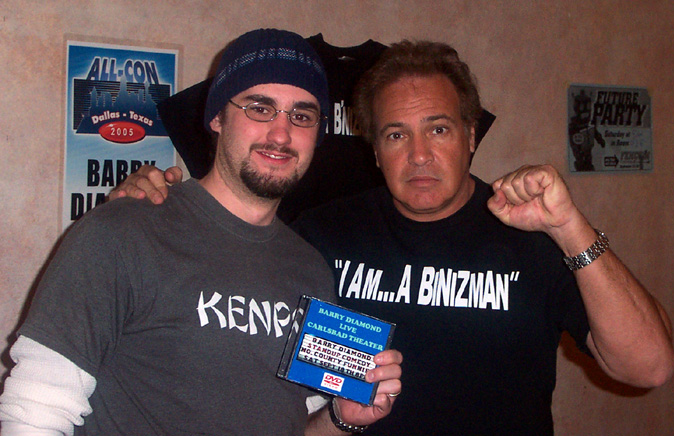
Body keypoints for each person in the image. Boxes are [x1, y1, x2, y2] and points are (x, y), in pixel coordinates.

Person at [105, 40, 674, 435]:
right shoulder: (320, 235)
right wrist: (155, 211)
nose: (419, 155)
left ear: (470, 135)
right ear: (375, 150)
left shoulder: (530, 234)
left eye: (439, 129)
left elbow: (648, 367)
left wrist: (570, 227)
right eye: (396, 134)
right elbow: (218, 314)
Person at [0, 29, 403, 436]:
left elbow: (295, 425)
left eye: (301, 116)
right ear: (217, 117)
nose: (281, 134)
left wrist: (339, 417)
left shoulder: (310, 270)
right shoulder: (120, 233)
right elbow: (34, 414)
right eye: (260, 108)